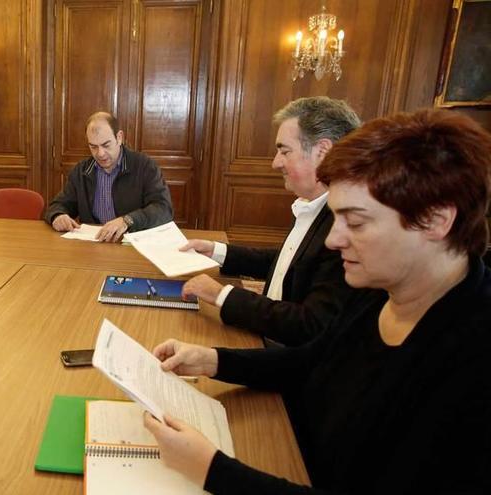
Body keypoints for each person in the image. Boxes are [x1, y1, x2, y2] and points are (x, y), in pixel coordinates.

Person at [143, 109, 491, 493]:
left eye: (355, 222)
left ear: (435, 220)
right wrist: (214, 359)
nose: (333, 239)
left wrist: (212, 470)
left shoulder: (472, 361)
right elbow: (312, 361)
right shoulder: (380, 291)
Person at [180, 97, 361, 345]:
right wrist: (216, 251)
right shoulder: (314, 205)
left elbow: (310, 325)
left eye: (285, 151)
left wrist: (222, 295)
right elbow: (289, 265)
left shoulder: (344, 226)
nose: (276, 162)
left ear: (323, 152)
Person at [45, 112, 173, 242]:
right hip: (93, 246)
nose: (100, 154)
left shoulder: (144, 166)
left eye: (106, 145)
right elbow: (58, 205)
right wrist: (58, 216)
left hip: (132, 246)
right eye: (93, 147)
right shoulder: (82, 171)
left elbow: (163, 209)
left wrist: (127, 220)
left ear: (119, 137)